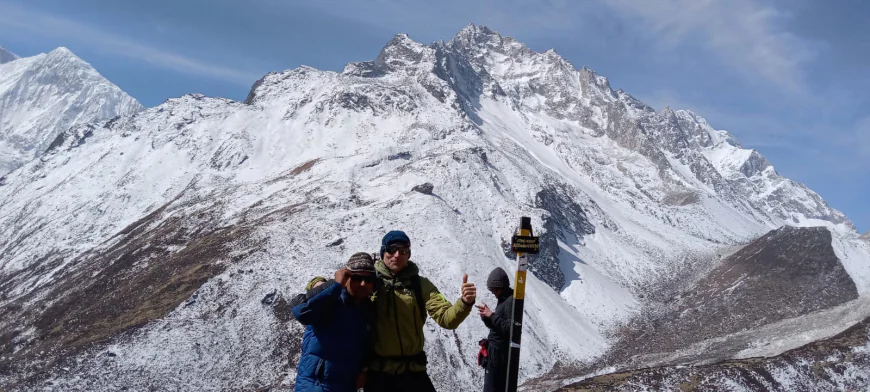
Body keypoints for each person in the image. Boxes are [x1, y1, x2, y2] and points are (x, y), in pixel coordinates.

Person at [365, 230, 477, 392]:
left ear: (408, 255)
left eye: (403, 251)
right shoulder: (367, 282)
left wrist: (465, 303)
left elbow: (447, 319)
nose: (397, 255)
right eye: (391, 249)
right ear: (383, 252)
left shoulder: (420, 285)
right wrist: (317, 284)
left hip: (413, 373)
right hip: (378, 374)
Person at [292, 252, 377, 392]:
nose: (363, 283)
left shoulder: (368, 310)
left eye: (368, 279)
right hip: (315, 386)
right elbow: (300, 311)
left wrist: (364, 369)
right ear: (346, 277)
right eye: (357, 278)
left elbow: (366, 344)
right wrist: (334, 285)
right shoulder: (330, 300)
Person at [476, 267, 518, 392]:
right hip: (494, 354)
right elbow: (498, 327)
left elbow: (510, 329)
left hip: (498, 356)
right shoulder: (503, 300)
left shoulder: (510, 301)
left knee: (492, 388)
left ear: (500, 287)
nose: (493, 293)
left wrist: (492, 315)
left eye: (494, 290)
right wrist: (486, 317)